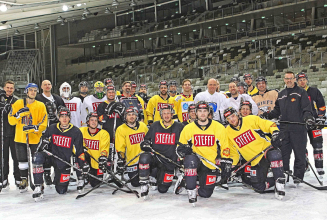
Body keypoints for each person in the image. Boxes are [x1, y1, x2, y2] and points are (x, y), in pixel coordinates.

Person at [260, 71, 314, 184]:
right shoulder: (282, 93)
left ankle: (298, 177)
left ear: (294, 79)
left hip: (298, 129)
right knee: (284, 154)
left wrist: (308, 118)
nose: (289, 80)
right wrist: (267, 115)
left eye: (291, 78)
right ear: (284, 80)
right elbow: (277, 110)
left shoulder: (301, 92)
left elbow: (306, 108)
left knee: (299, 155)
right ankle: (284, 174)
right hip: (284, 129)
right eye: (286, 78)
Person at [223, 107, 286, 200]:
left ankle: (280, 180)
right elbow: (234, 153)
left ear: (237, 114)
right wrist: (232, 166)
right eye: (229, 118)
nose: (232, 120)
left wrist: (275, 132)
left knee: (275, 154)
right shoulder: (227, 132)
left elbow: (269, 124)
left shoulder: (250, 119)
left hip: (265, 151)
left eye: (233, 116)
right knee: (259, 187)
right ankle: (277, 179)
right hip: (254, 160)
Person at [177, 101, 232, 205]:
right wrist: (184, 151)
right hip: (196, 160)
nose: (202, 113)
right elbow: (179, 148)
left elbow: (225, 146)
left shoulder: (218, 127)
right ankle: (191, 189)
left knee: (206, 193)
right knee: (190, 160)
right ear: (196, 113)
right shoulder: (188, 128)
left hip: (209, 162)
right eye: (200, 111)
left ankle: (186, 181)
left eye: (205, 111)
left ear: (208, 113)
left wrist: (226, 161)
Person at [32, 107, 88, 200]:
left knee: (61, 191)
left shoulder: (76, 131)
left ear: (70, 118)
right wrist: (43, 144)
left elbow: (79, 151)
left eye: (66, 116)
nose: (64, 118)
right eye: (62, 116)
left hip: (63, 161)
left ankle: (60, 178)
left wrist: (83, 165)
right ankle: (38, 186)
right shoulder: (52, 128)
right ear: (59, 117)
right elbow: (39, 148)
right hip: (51, 157)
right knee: (37, 157)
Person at [8, 83, 48, 192]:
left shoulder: (40, 105)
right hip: (21, 138)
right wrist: (18, 115)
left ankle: (39, 181)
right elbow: (10, 121)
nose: (33, 92)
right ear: (26, 91)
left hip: (35, 138)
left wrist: (34, 128)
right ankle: (24, 179)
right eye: (31, 90)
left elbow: (44, 123)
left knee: (37, 161)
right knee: (22, 161)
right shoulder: (18, 103)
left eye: (35, 90)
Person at [138, 105, 184, 198]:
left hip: (169, 161)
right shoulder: (155, 125)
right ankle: (144, 184)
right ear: (161, 115)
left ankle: (157, 177)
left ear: (172, 114)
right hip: (156, 157)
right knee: (144, 157)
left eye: (168, 113)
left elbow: (184, 142)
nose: (166, 116)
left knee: (162, 189)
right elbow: (147, 139)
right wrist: (145, 144)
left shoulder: (179, 126)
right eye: (164, 114)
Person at [296, 72, 326, 176]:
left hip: (314, 123)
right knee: (301, 146)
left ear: (307, 80)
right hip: (301, 123)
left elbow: (321, 106)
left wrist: (321, 117)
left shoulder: (314, 91)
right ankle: (305, 165)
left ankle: (319, 166)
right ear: (297, 81)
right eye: (300, 80)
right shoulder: (296, 93)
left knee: (318, 144)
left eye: (304, 79)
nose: (302, 81)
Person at [115, 107, 148, 187]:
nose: (131, 116)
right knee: (135, 183)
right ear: (125, 117)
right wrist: (121, 160)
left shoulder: (143, 126)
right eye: (129, 115)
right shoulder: (121, 129)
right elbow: (120, 148)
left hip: (145, 158)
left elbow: (149, 139)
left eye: (133, 114)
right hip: (132, 160)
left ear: (136, 116)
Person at [97, 85, 125, 171]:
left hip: (119, 132)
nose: (111, 94)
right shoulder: (102, 105)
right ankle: (109, 171)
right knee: (108, 153)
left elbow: (125, 119)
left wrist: (122, 114)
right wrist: (107, 113)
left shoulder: (120, 104)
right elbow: (100, 120)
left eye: (113, 92)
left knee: (120, 153)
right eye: (109, 92)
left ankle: (120, 170)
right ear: (106, 93)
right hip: (107, 132)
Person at [80, 112, 110, 187]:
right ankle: (82, 175)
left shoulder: (104, 133)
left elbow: (104, 148)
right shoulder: (81, 131)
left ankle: (91, 176)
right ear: (88, 122)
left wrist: (103, 158)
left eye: (96, 120)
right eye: (92, 120)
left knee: (95, 184)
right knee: (81, 153)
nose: (94, 122)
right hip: (86, 161)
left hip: (97, 162)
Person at [0, 81, 20, 189]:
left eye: (11, 88)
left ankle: (17, 177)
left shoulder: (16, 101)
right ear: (4, 88)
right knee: (3, 157)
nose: (9, 89)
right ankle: (3, 178)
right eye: (7, 87)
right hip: (2, 133)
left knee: (16, 157)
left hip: (14, 134)